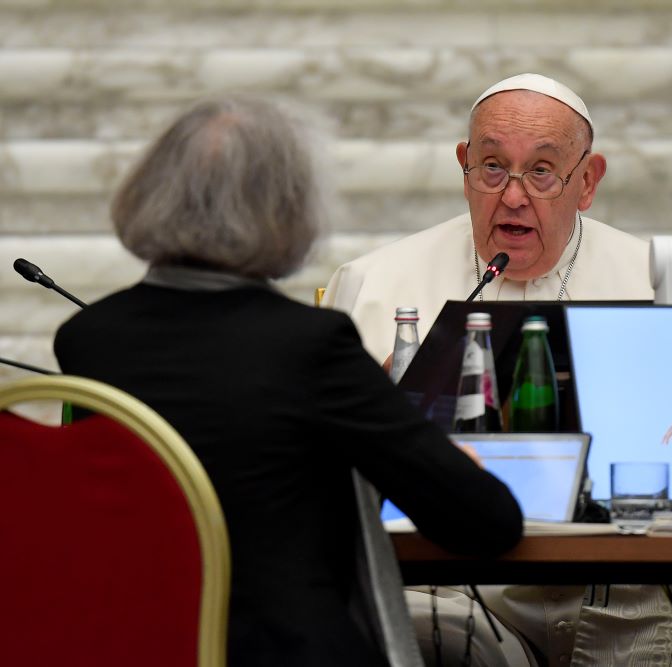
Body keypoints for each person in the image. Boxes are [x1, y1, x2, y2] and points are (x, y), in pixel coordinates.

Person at [323, 74, 672, 666]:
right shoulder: (374, 284)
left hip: (633, 583)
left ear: (587, 181)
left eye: (541, 172)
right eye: (492, 167)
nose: (513, 196)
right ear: (464, 167)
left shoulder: (659, 284)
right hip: (454, 583)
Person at [53, 96, 524, 667]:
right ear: (289, 209)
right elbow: (485, 524)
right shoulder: (310, 346)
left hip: (131, 644)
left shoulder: (88, 338)